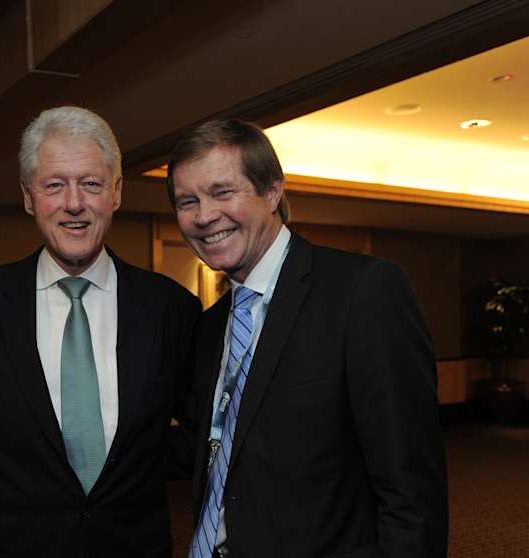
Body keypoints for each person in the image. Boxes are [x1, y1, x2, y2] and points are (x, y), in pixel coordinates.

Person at [168, 119, 447, 558]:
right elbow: (210, 443)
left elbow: (411, 488)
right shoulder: (210, 325)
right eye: (188, 201)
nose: (204, 216)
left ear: (272, 191)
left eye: (222, 192)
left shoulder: (362, 291)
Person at [0, 106, 201, 558]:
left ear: (116, 192)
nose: (74, 203)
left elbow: (202, 432)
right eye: (54, 185)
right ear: (28, 197)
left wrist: (139, 465)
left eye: (91, 184)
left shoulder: (171, 308)